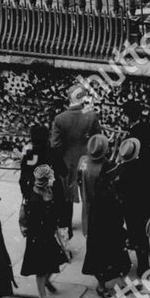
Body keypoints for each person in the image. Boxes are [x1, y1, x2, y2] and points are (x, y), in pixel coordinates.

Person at [79, 134, 131, 298]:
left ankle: (106, 284)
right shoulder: (107, 168)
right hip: (105, 213)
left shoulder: (83, 163)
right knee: (112, 248)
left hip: (90, 212)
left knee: (97, 250)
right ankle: (113, 283)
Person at [50, 85, 102, 238]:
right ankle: (91, 227)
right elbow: (98, 140)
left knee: (67, 198)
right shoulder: (91, 115)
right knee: (90, 196)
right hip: (87, 161)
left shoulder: (60, 118)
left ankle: (67, 229)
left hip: (68, 162)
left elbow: (55, 145)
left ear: (69, 98)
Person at [19, 165, 67, 298]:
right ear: (45, 180)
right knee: (41, 269)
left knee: (56, 260)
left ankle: (46, 281)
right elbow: (35, 224)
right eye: (51, 177)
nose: (53, 179)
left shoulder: (47, 190)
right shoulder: (35, 201)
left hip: (47, 234)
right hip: (39, 238)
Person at [113, 137, 150, 275]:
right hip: (149, 208)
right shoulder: (148, 165)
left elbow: (118, 192)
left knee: (138, 238)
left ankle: (142, 267)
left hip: (131, 211)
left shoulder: (120, 171)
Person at [19, 125, 65, 204]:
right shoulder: (54, 153)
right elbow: (64, 172)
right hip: (53, 194)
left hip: (34, 194)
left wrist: (26, 196)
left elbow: (22, 181)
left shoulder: (28, 156)